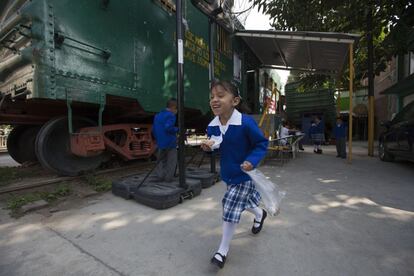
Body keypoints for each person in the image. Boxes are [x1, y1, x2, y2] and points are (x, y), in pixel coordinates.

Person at [200, 80, 268, 269]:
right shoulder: (212, 125)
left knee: (230, 207)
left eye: (220, 95)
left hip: (245, 175)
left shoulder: (245, 123)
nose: (214, 100)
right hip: (229, 174)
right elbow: (216, 144)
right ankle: (260, 213)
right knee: (244, 203)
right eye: (212, 96)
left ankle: (222, 251)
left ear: (235, 100)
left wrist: (251, 161)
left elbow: (261, 144)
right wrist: (208, 148)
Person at [152, 98, 178, 182]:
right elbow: (168, 127)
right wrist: (177, 129)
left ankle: (160, 176)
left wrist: (158, 139)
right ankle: (168, 179)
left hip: (160, 142)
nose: (176, 111)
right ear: (173, 107)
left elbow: (153, 129)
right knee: (171, 161)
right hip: (170, 143)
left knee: (160, 160)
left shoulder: (157, 115)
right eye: (176, 109)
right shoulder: (171, 115)